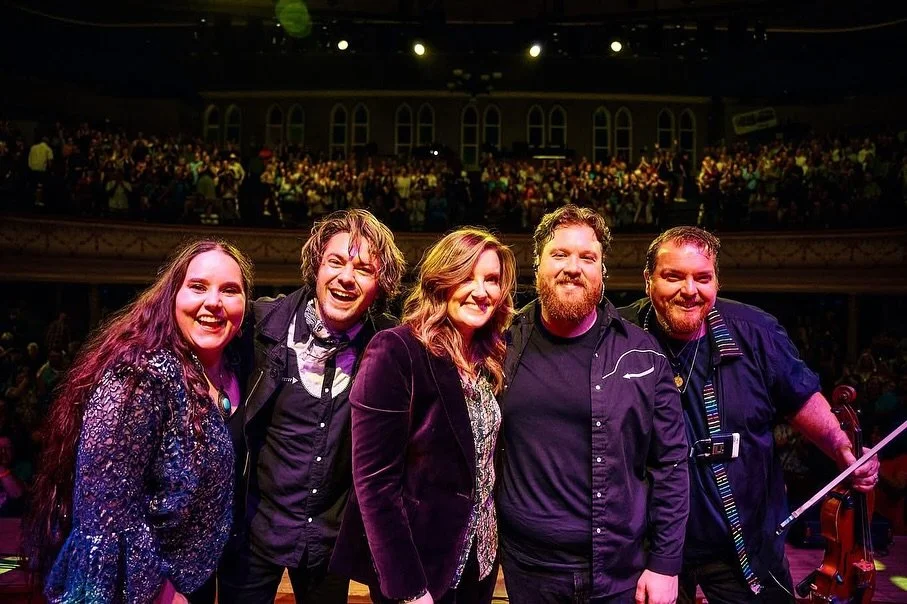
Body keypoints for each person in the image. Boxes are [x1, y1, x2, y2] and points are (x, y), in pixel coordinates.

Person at [620, 226, 880, 604]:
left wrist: (843, 449)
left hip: (746, 540)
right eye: (673, 276)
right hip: (649, 545)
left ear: (717, 281)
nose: (689, 290)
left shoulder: (756, 332)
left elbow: (803, 401)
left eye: (702, 278)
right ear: (648, 280)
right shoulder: (621, 336)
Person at [23, 239, 253, 603]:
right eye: (198, 286)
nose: (214, 302)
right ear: (171, 296)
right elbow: (104, 511)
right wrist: (162, 593)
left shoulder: (237, 366)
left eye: (230, 290)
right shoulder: (138, 377)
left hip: (198, 581)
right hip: (138, 589)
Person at [498, 204, 689, 604]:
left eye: (588, 257)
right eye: (560, 254)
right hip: (527, 568)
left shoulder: (644, 354)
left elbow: (670, 463)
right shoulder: (501, 344)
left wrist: (666, 563)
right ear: (537, 265)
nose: (573, 267)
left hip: (619, 570)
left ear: (603, 271)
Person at [218, 209, 406, 604]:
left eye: (364, 269)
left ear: (380, 284)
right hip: (254, 530)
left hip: (327, 541)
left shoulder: (389, 347)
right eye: (335, 261)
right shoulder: (258, 326)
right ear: (315, 267)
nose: (345, 278)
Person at [332, 228, 517, 603]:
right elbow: (374, 484)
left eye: (492, 280)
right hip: (418, 567)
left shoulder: (490, 359)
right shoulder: (397, 350)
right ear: (441, 280)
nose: (481, 291)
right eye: (467, 276)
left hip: (477, 563)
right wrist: (409, 588)